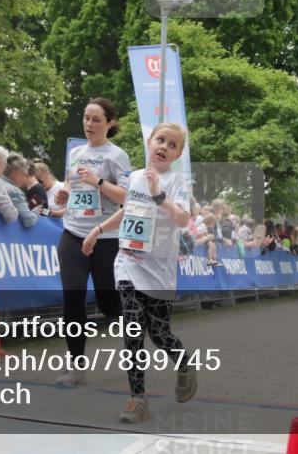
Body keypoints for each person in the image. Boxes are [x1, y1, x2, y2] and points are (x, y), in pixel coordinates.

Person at [81, 122, 195, 423]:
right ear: (149, 141)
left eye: (172, 145)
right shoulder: (133, 178)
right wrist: (98, 230)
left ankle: (184, 365)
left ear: (178, 153)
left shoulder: (178, 181)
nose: (164, 147)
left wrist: (159, 195)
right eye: (161, 140)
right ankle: (137, 398)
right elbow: (127, 211)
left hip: (160, 270)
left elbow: (183, 219)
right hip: (130, 264)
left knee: (159, 333)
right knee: (133, 331)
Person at [52, 98, 132, 386]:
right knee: (72, 301)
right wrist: (63, 195)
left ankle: (136, 338)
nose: (89, 124)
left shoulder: (116, 155)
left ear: (110, 123)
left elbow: (126, 198)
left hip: (105, 237)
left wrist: (99, 181)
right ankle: (76, 368)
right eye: (86, 118)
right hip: (73, 232)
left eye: (96, 119)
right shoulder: (75, 152)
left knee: (109, 304)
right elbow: (72, 187)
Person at [2, 153, 40, 228]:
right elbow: (29, 220)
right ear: (16, 173)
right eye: (25, 175)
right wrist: (36, 210)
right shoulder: (14, 192)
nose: (25, 179)